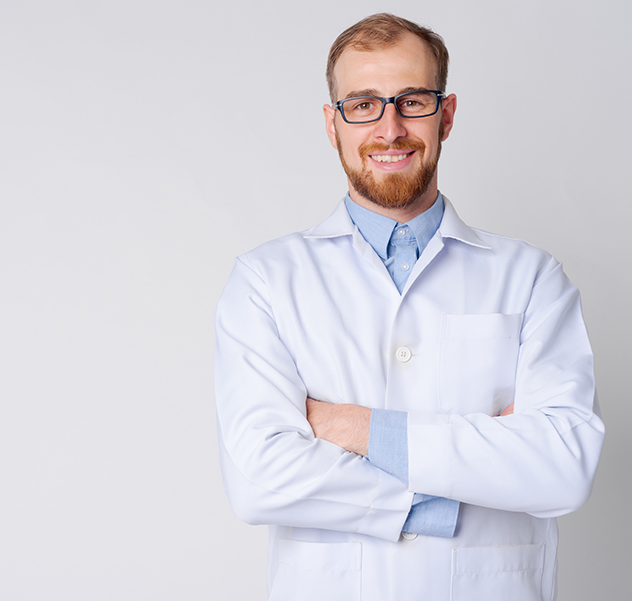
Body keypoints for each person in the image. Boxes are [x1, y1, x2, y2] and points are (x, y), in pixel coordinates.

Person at [214, 13, 604, 601]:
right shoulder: (265, 281)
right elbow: (258, 480)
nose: (390, 129)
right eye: (363, 105)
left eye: (412, 102)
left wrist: (352, 426)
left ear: (446, 115)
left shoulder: (531, 278)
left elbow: (562, 468)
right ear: (333, 124)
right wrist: (474, 469)